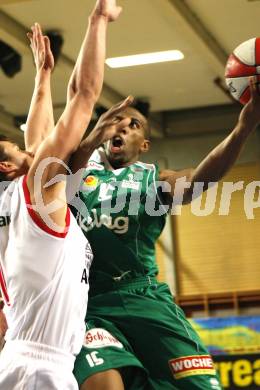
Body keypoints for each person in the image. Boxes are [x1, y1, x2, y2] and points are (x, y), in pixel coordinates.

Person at [69, 77, 260, 390]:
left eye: (134, 125)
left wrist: (243, 128)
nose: (122, 127)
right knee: (102, 383)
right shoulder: (77, 175)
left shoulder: (154, 179)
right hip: (91, 304)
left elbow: (199, 180)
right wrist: (89, 138)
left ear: (144, 145)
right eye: (116, 121)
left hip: (143, 294)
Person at [0, 1, 122, 388]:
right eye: (19, 150)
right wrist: (98, 20)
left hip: (29, 361)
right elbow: (84, 95)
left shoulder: (20, 199)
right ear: (9, 166)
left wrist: (42, 75)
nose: (30, 146)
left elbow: (36, 138)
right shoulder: (37, 190)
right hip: (39, 367)